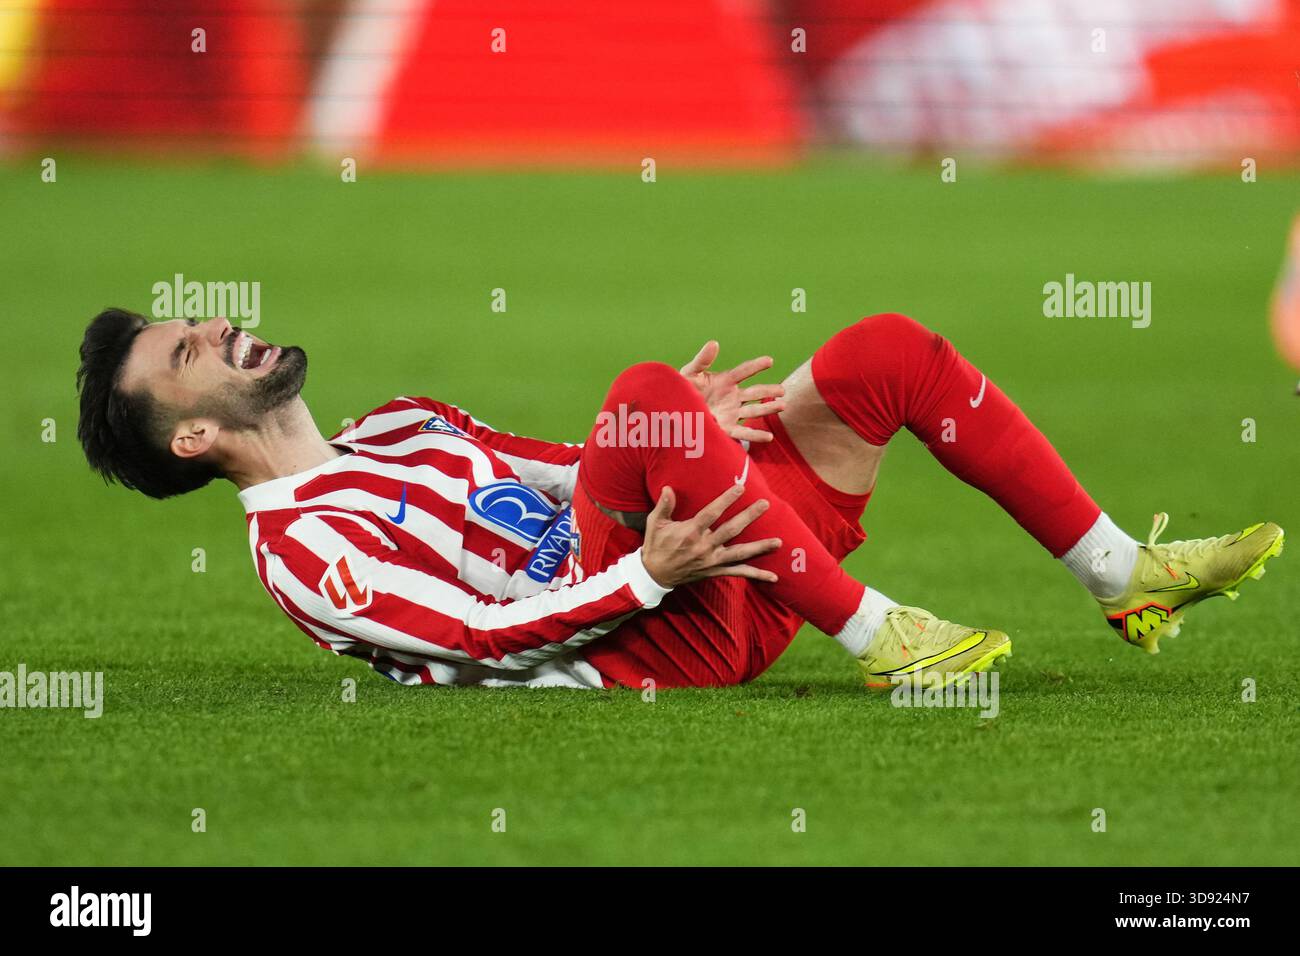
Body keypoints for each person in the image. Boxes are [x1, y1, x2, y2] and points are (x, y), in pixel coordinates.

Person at [76, 308, 1283, 690]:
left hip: (717, 557)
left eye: (201, 323)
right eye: (189, 352)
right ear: (192, 436)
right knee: (644, 393)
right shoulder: (303, 552)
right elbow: (478, 640)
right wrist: (649, 567)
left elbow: (563, 461)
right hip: (649, 628)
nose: (221, 329)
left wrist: (684, 427)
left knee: (885, 353)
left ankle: (1120, 574)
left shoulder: (396, 424)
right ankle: (878, 636)